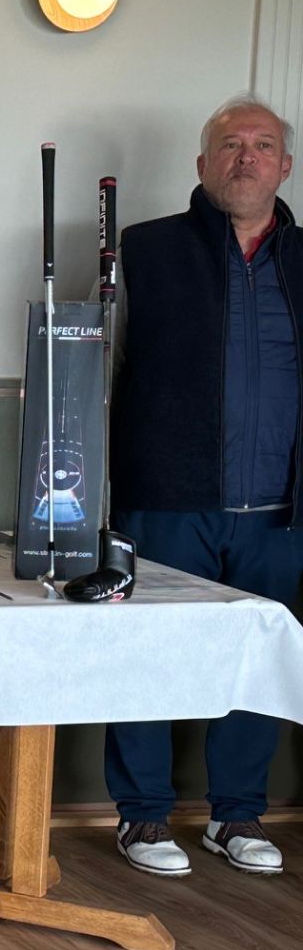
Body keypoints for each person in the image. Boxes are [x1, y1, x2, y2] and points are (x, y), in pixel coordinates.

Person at [106, 96, 301, 878]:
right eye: (230, 144)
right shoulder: (147, 249)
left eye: (263, 145)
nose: (246, 157)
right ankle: (142, 814)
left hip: (280, 510)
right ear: (202, 163)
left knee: (259, 665)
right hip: (168, 500)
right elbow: (104, 366)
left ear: (285, 167)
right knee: (148, 655)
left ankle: (236, 814)